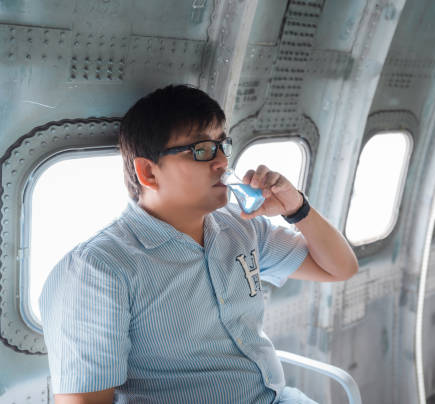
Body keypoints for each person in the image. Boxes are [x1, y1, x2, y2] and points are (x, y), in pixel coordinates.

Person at [39, 84, 359, 404]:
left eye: (222, 145)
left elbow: (340, 268)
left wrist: (296, 208)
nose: (222, 162)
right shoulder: (97, 269)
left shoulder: (240, 226)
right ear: (148, 172)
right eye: (202, 149)